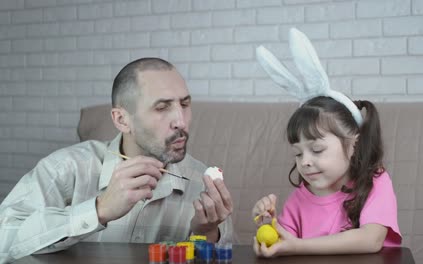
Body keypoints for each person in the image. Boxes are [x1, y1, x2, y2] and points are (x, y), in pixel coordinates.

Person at [0, 58, 234, 263]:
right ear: (121, 120)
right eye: (162, 107)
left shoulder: (203, 183)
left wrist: (206, 234)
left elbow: (228, 254)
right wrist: (99, 209)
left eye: (184, 104)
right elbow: (4, 241)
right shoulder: (67, 168)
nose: (181, 121)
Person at [251, 28, 401, 257]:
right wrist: (267, 227)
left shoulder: (375, 182)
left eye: (317, 149)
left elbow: (371, 239)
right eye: (298, 154)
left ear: (354, 144)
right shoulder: (300, 199)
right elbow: (284, 244)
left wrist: (298, 247)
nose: (305, 162)